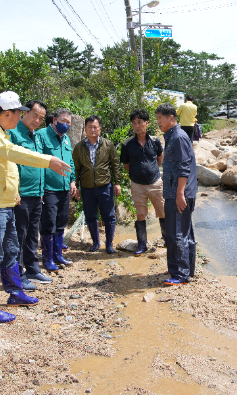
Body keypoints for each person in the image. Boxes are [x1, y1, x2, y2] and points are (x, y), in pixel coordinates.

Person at [0, 91, 72, 324]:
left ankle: (15, 293)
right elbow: (11, 153)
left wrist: (12, 194)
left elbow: (4, 168)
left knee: (12, 250)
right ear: (7, 114)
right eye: (19, 114)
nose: (19, 118)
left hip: (3, 203)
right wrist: (48, 160)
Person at [8, 99, 52, 290]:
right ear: (24, 113)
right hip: (21, 195)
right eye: (35, 115)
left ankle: (33, 269)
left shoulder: (36, 136)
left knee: (33, 234)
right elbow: (8, 163)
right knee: (20, 235)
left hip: (37, 193)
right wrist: (14, 190)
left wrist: (42, 190)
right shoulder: (13, 133)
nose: (37, 120)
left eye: (41, 118)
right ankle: (18, 274)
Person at [155, 103, 197, 285]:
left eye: (160, 118)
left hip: (178, 194)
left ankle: (180, 274)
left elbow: (184, 167)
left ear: (171, 118)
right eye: (157, 118)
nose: (158, 122)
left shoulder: (178, 137)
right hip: (179, 192)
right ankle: (187, 269)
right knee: (185, 232)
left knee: (176, 233)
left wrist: (180, 193)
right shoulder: (173, 136)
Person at [72, 115, 122, 254]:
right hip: (87, 187)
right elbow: (76, 168)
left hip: (105, 186)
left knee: (109, 216)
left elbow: (115, 164)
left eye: (95, 127)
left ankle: (109, 244)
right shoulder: (79, 147)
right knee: (90, 216)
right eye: (89, 127)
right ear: (85, 129)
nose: (92, 130)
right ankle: (95, 243)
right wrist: (76, 185)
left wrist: (117, 183)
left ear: (100, 129)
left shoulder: (107, 144)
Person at [120, 109, 165, 256]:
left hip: (155, 183)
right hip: (137, 184)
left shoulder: (155, 141)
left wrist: (151, 170)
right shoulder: (127, 144)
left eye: (139, 122)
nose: (137, 125)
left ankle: (167, 239)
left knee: (162, 211)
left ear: (146, 123)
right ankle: (142, 244)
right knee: (140, 214)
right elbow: (126, 164)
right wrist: (136, 173)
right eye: (134, 123)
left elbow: (160, 158)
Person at [39, 108, 77, 272]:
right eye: (63, 121)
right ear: (54, 120)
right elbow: (37, 161)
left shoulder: (66, 139)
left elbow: (70, 162)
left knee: (61, 222)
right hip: (49, 188)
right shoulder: (42, 135)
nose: (66, 124)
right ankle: (47, 259)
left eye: (68, 122)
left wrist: (73, 180)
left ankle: (58, 255)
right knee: (49, 223)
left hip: (64, 188)